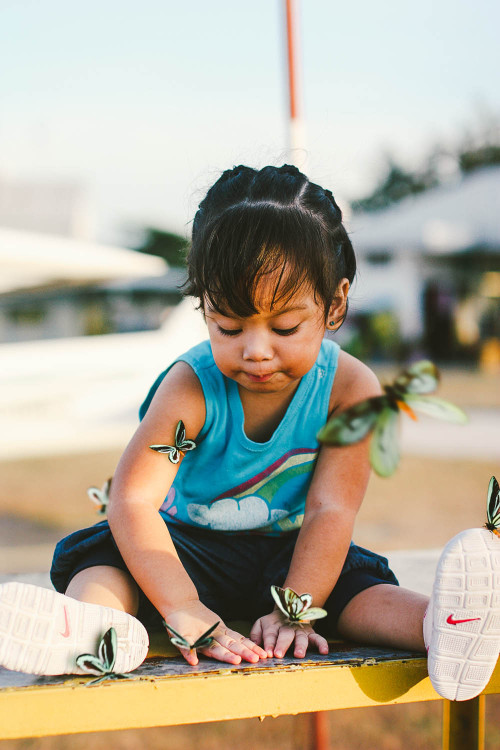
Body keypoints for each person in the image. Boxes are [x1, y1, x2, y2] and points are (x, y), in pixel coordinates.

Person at [0, 165, 498, 702]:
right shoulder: (192, 387)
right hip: (183, 549)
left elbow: (332, 511)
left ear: (335, 304)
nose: (255, 350)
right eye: (228, 327)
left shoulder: (351, 389)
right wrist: (183, 607)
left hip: (295, 555)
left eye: (284, 328)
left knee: (356, 587)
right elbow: (133, 501)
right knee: (110, 561)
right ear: (204, 306)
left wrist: (297, 608)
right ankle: (87, 628)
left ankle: (447, 626)